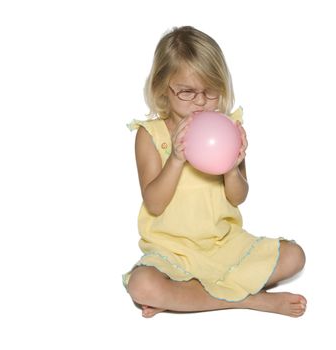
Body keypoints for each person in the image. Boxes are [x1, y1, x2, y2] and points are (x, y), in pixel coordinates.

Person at [123, 26, 306, 318]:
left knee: (295, 256)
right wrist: (176, 158)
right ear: (162, 88)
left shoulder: (226, 129)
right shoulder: (150, 135)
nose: (200, 100)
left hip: (223, 244)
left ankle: (186, 297)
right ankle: (251, 300)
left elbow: (237, 197)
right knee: (142, 285)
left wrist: (233, 166)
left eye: (210, 91)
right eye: (187, 92)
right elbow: (155, 203)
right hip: (173, 252)